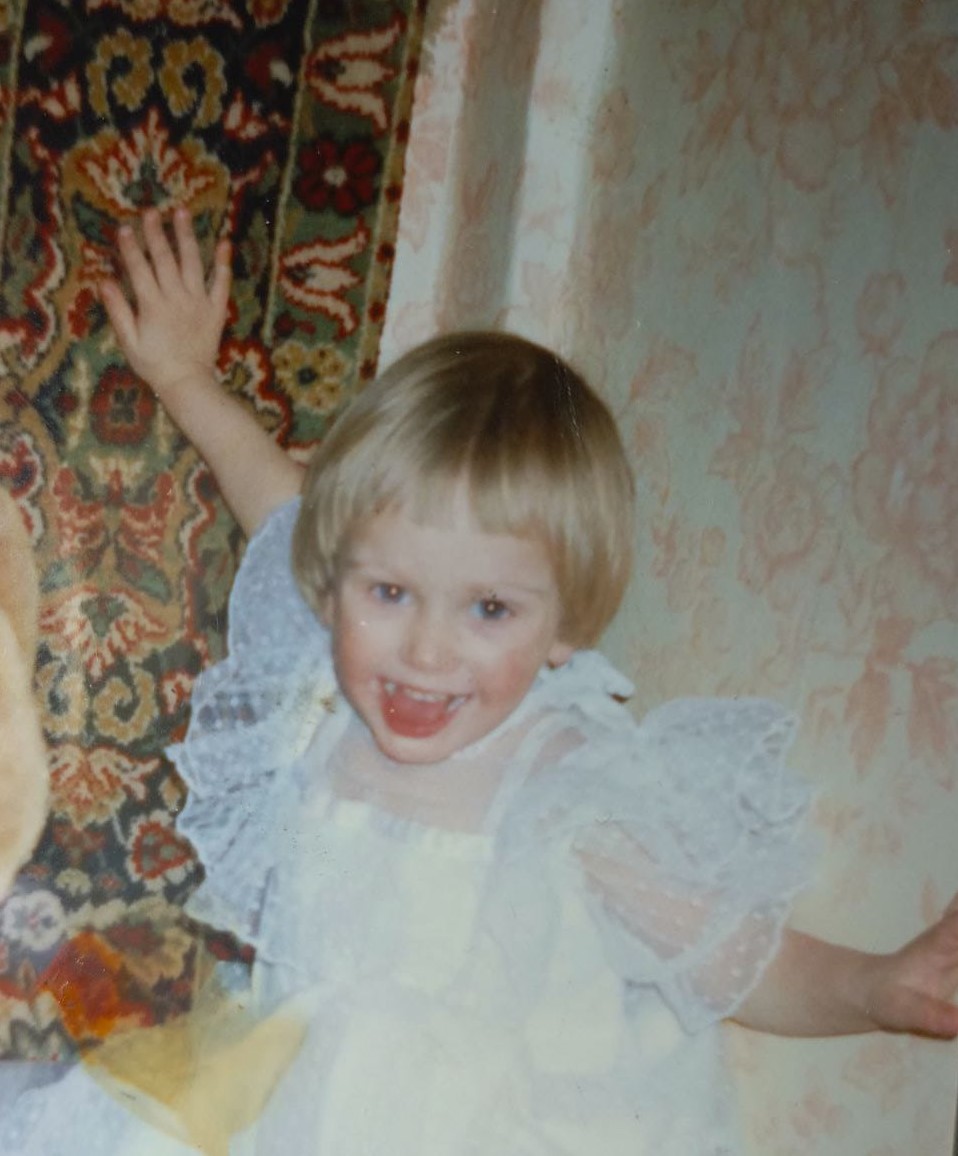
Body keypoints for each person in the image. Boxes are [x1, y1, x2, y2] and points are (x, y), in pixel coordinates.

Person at [3, 207, 957, 1154]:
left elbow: (726, 952)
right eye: (390, 592)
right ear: (335, 579)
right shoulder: (330, 681)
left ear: (565, 626)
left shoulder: (558, 784)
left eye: (489, 610)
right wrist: (184, 377)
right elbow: (282, 507)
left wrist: (876, 986)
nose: (426, 652)